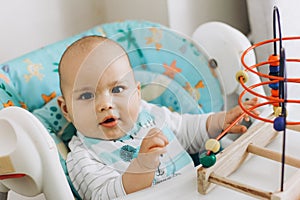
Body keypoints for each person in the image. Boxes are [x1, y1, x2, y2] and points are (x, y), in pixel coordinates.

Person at [57, 35, 259, 200]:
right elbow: (105, 195)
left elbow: (188, 131)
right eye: (86, 95)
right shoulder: (82, 156)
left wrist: (219, 121)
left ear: (137, 93)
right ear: (66, 109)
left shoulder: (150, 115)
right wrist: (143, 166)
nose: (105, 104)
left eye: (117, 89)